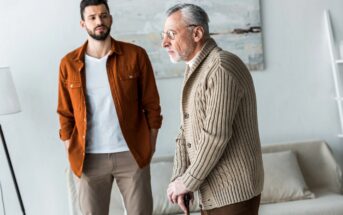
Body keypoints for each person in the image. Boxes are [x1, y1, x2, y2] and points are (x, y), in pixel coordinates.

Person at [57, 0, 162, 214]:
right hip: (89, 159)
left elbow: (151, 105)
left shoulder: (135, 55)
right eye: (92, 17)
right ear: (82, 23)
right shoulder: (69, 63)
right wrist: (70, 149)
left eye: (104, 16)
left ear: (110, 18)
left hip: (131, 154)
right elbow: (65, 113)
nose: (99, 22)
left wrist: (150, 145)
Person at [162, 3, 264, 215]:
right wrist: (180, 179)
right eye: (164, 35)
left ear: (197, 33)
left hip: (233, 193)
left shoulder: (221, 66)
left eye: (171, 34)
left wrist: (188, 180)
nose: (165, 42)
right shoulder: (194, 70)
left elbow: (215, 135)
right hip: (209, 192)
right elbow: (185, 132)